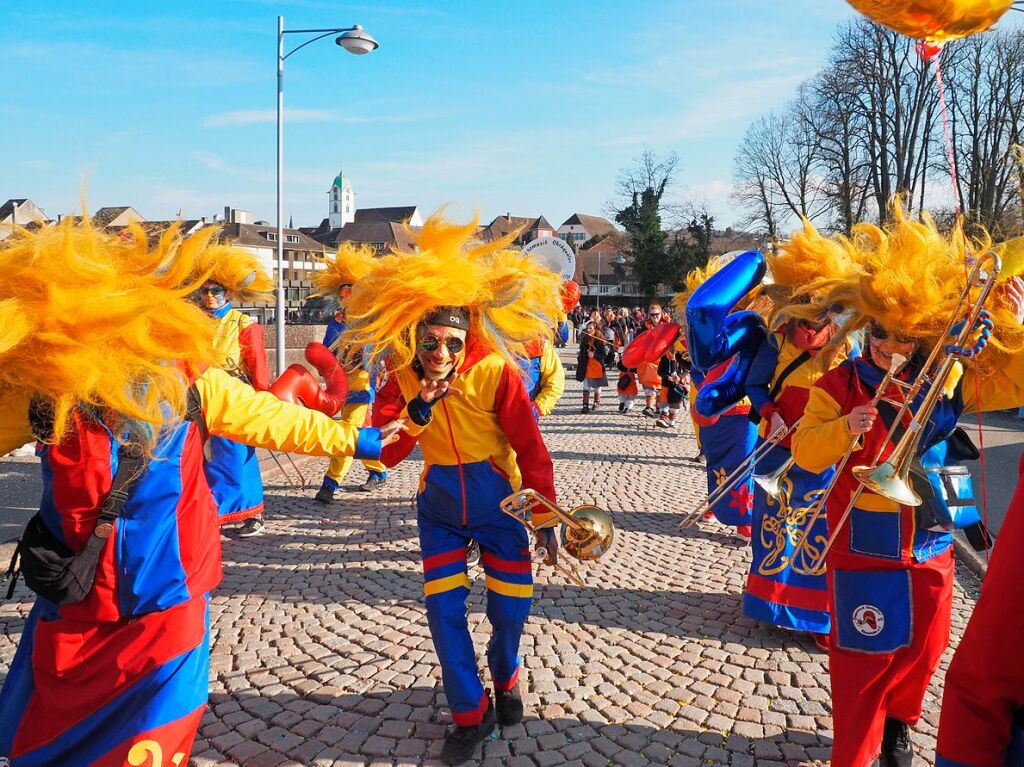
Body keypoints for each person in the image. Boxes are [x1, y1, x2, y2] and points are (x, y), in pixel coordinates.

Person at [0, 219, 401, 767]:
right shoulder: (46, 392)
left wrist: (360, 439)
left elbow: (272, 419)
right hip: (78, 599)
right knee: (57, 730)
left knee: (159, 731)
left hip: (169, 592)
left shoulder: (190, 380)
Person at [790, 207, 1024, 767]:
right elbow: (803, 449)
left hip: (932, 538)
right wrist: (843, 428)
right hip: (865, 543)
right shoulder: (837, 384)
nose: (887, 347)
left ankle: (900, 723)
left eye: (902, 338)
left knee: (926, 649)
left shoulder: (946, 376)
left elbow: (1014, 385)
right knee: (863, 657)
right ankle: (855, 752)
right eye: (878, 335)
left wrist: (1015, 326)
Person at [339, 214, 562, 765]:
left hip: (500, 504)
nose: (439, 354)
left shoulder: (496, 373)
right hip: (438, 505)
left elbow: (532, 450)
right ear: (415, 339)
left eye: (451, 343)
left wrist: (547, 519)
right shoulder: (404, 377)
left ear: (469, 339)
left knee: (511, 612)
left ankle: (506, 676)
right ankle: (470, 712)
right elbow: (384, 452)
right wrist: (415, 412)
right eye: (430, 342)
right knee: (443, 614)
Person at [741, 222, 858, 644]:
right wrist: (768, 413)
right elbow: (754, 386)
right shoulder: (775, 342)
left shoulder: (848, 346)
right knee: (774, 527)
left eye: (821, 311)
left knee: (820, 534)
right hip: (776, 450)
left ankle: (819, 617)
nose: (813, 322)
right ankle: (773, 604)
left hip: (826, 453)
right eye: (806, 309)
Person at [935, 451, 1024, 766]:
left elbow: (945, 456)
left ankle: (898, 724)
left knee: (925, 650)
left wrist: (970, 524)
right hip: (878, 543)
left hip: (932, 553)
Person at [195, 251, 273, 537]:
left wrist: (263, 400)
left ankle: (253, 514)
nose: (209, 296)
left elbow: (258, 368)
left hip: (235, 397)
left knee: (237, 453)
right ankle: (213, 511)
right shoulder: (197, 323)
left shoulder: (243, 324)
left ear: (228, 293)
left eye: (215, 291)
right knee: (208, 456)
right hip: (202, 399)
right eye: (204, 291)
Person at [312, 243, 391, 503]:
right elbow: (326, 352)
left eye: (352, 290)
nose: (347, 296)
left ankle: (330, 484)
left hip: (361, 386)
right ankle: (378, 471)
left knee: (347, 432)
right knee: (358, 434)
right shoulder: (337, 322)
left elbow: (377, 356)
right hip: (341, 386)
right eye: (343, 291)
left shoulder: (371, 324)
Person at [576, 320, 608, 413]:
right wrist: (580, 355)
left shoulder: (599, 340)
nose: (589, 330)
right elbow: (582, 353)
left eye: (591, 328)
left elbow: (603, 355)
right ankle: (585, 405)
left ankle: (596, 402)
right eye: (588, 328)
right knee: (586, 385)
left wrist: (594, 355)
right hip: (587, 366)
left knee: (597, 386)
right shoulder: (584, 340)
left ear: (595, 329)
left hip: (597, 366)